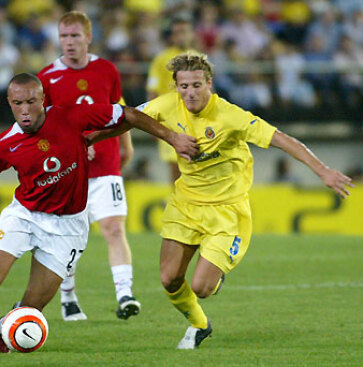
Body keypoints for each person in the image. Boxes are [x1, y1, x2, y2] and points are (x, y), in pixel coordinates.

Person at [0, 73, 199, 353]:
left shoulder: (71, 116)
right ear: (9, 103)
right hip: (25, 216)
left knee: (34, 305)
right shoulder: (4, 144)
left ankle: (3, 327)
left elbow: (127, 115)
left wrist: (172, 137)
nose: (25, 109)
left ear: (43, 99)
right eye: (18, 103)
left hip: (69, 226)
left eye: (32, 101)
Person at [137, 53, 353, 349]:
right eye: (183, 86)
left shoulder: (230, 116)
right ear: (176, 87)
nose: (190, 92)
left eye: (196, 85)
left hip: (227, 212)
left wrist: (323, 170)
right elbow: (126, 116)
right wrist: (88, 141)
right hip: (185, 204)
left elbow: (283, 139)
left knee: (201, 287)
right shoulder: (166, 105)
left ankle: (215, 278)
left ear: (209, 84)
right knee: (169, 278)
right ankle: (199, 325)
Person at [37, 11, 139, 321]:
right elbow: (43, 127)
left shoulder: (107, 70)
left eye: (75, 36)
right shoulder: (46, 77)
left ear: (88, 37)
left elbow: (117, 112)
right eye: (64, 36)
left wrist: (126, 145)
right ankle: (68, 297)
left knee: (114, 227)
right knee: (67, 239)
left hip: (106, 165)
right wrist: (73, 147)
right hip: (67, 173)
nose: (69, 42)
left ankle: (125, 295)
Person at [146, 17, 196, 182]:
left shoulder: (198, 58)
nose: (181, 36)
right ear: (172, 36)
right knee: (175, 166)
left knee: (195, 166)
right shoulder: (161, 59)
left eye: (184, 32)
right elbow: (152, 89)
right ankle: (177, 202)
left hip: (194, 119)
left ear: (191, 34)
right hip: (170, 120)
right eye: (177, 33)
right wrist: (151, 121)